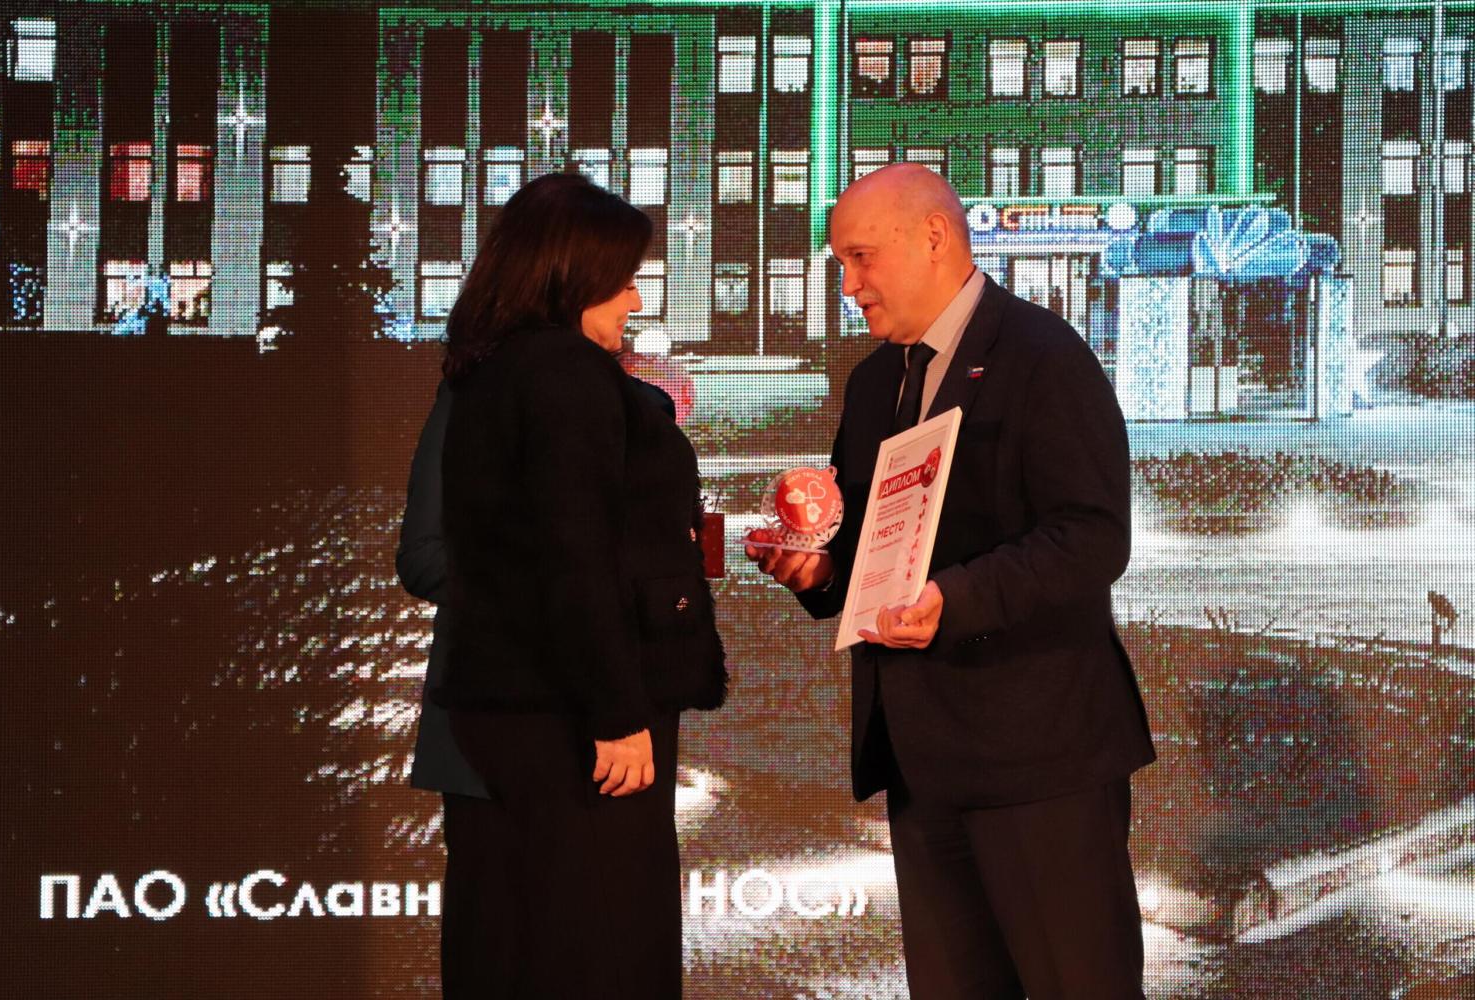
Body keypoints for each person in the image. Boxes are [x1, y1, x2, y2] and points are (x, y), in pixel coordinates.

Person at [746, 163, 1155, 999]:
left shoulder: (1043, 356)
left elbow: (1091, 537)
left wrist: (954, 601)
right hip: (922, 763)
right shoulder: (872, 382)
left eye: (860, 258)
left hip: (1039, 763)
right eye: (840, 264)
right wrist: (818, 569)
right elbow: (870, 552)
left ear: (934, 237)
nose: (849, 285)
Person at [437, 172, 727, 1000]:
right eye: (624, 278)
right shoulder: (565, 372)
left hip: (511, 712)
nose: (636, 299)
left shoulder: (493, 368)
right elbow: (576, 552)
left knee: (513, 941)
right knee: (601, 948)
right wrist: (617, 714)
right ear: (574, 275)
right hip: (572, 726)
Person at [395, 379, 491, 996]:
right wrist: (554, 584)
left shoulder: (634, 401)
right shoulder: (471, 397)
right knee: (492, 951)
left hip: (600, 746)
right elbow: (422, 558)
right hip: (483, 743)